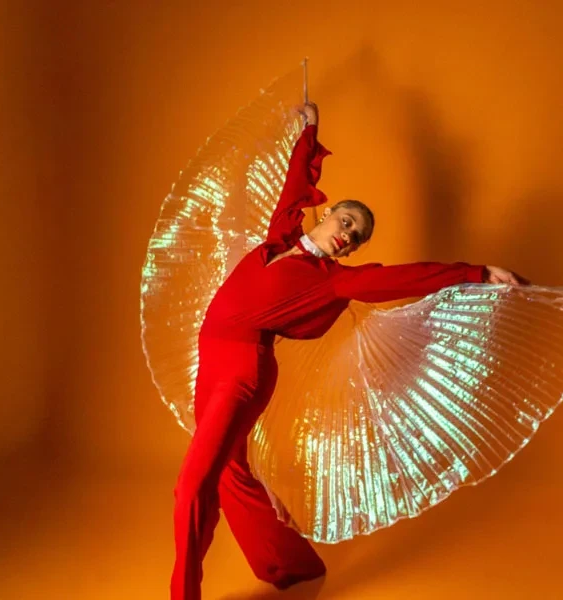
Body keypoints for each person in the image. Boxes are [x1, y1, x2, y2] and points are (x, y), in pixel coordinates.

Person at [170, 101, 525, 599]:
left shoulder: (332, 284)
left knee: (193, 483)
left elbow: (402, 278)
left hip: (242, 373)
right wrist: (309, 132)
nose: (348, 236)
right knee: (229, 472)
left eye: (355, 238)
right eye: (348, 222)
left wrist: (477, 273)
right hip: (212, 362)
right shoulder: (279, 238)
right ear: (329, 212)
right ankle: (290, 563)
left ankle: (181, 594)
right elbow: (293, 188)